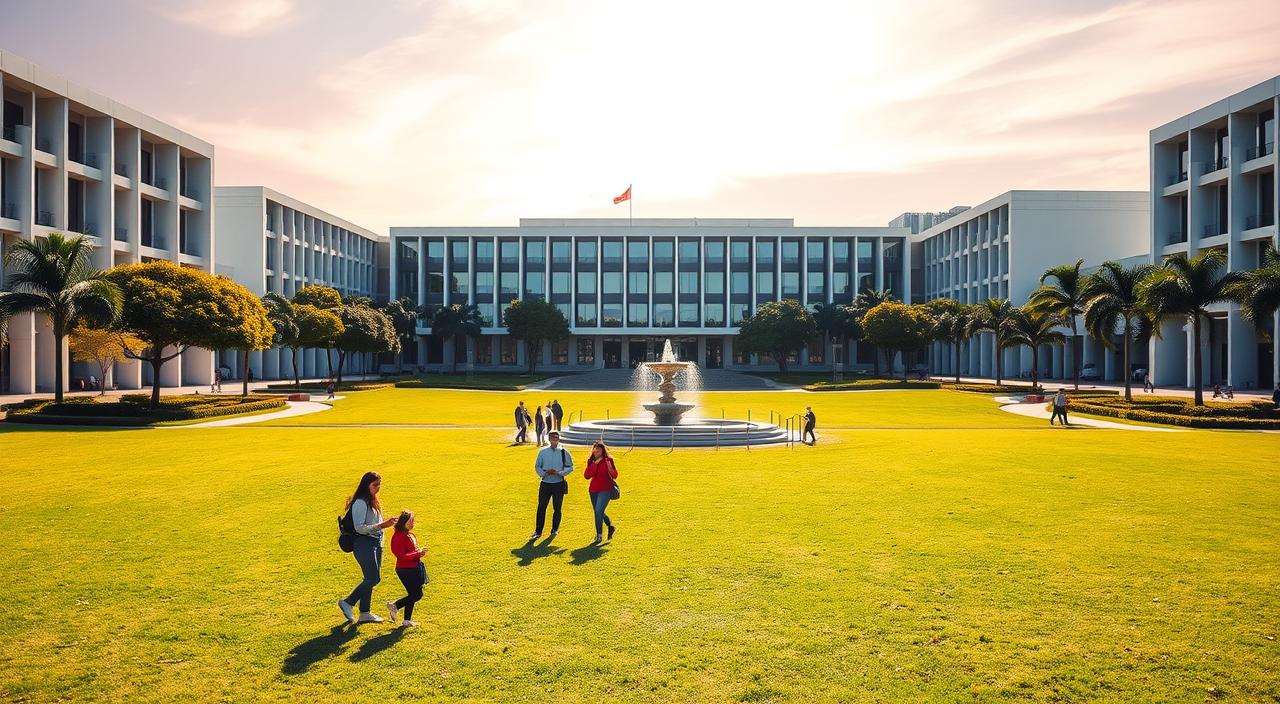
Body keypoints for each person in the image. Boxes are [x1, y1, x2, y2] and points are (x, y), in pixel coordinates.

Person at [338, 471, 397, 624]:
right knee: (373, 578)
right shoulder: (360, 502)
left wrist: (382, 535)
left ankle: (365, 613)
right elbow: (359, 527)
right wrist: (382, 525)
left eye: (379, 485)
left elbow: (376, 522)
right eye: (375, 485)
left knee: (370, 578)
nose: (378, 488)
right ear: (366, 485)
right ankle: (348, 602)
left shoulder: (373, 500)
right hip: (363, 543)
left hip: (375, 542)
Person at [387, 510, 429, 627]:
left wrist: (419, 553)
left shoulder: (408, 534)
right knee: (416, 595)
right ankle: (395, 605)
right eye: (410, 521)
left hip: (413, 568)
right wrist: (417, 554)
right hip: (406, 570)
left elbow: (410, 552)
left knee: (412, 594)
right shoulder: (399, 536)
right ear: (403, 522)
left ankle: (407, 620)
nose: (412, 523)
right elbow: (401, 556)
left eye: (413, 521)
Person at [530, 431, 573, 540]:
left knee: (557, 508)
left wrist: (559, 473)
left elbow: (570, 467)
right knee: (541, 507)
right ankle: (538, 531)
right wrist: (544, 473)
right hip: (545, 483)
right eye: (553, 438)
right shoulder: (543, 452)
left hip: (558, 484)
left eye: (556, 438)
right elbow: (537, 466)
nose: (555, 440)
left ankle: (555, 529)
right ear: (549, 439)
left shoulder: (564, 452)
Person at [583, 441, 618, 543]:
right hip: (593, 490)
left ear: (602, 451)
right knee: (598, 512)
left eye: (599, 450)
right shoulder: (590, 461)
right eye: (595, 450)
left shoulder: (608, 460)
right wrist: (594, 464)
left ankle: (599, 535)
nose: (597, 451)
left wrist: (609, 466)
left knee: (598, 511)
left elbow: (615, 475)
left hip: (605, 489)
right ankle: (610, 526)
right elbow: (587, 476)